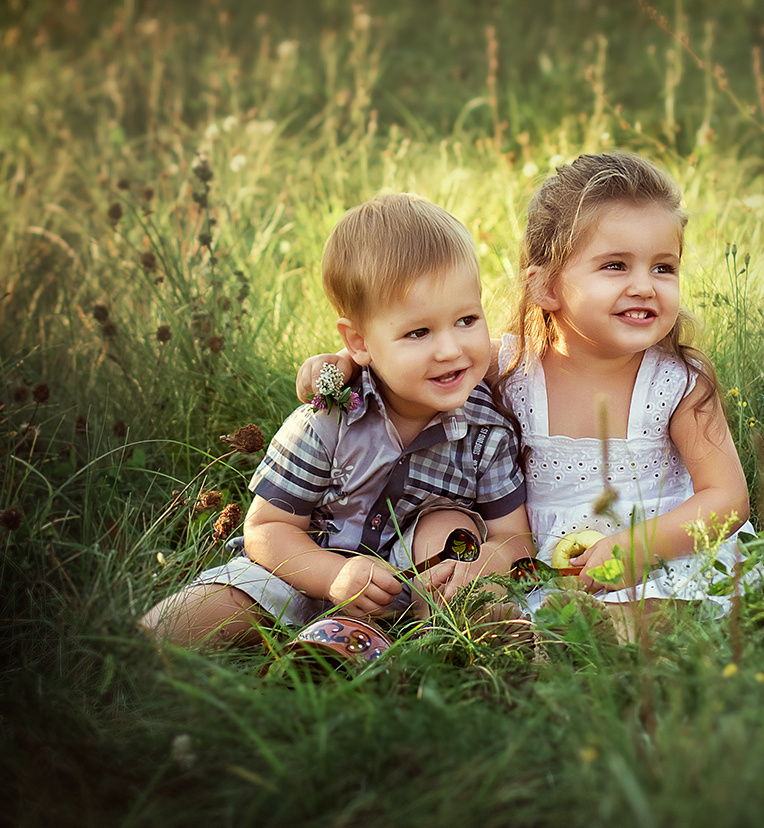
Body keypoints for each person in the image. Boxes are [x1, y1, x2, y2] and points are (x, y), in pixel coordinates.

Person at [297, 153, 755, 635]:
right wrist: (344, 363)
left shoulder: (678, 383)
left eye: (663, 268)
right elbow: (419, 361)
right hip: (537, 562)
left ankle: (597, 634)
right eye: (616, 265)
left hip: (662, 555)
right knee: (505, 610)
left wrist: (641, 547)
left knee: (666, 613)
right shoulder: (511, 365)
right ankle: (550, 639)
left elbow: (726, 497)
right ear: (545, 286)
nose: (644, 286)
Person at [142, 193, 535, 647]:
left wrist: (486, 562)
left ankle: (446, 643)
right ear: (359, 342)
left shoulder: (486, 431)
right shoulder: (330, 416)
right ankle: (126, 657)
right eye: (418, 332)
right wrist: (333, 577)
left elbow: (513, 537)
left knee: (448, 526)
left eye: (467, 319)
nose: (450, 349)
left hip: (417, 589)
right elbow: (267, 529)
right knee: (174, 629)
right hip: (303, 569)